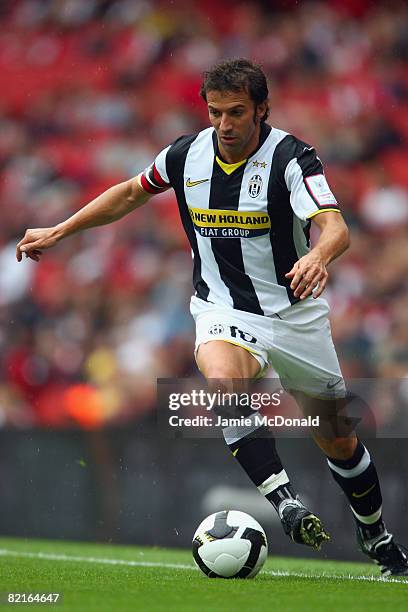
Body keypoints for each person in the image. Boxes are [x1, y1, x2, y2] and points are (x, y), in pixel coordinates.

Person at [16, 58, 407, 576]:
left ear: (262, 109)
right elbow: (132, 192)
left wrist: (317, 255)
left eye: (237, 112)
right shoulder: (187, 154)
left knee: (337, 434)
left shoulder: (293, 158)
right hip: (221, 306)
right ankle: (283, 500)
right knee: (223, 381)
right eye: (215, 112)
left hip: (295, 315)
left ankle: (375, 534)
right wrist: (60, 230)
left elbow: (334, 227)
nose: (224, 124)